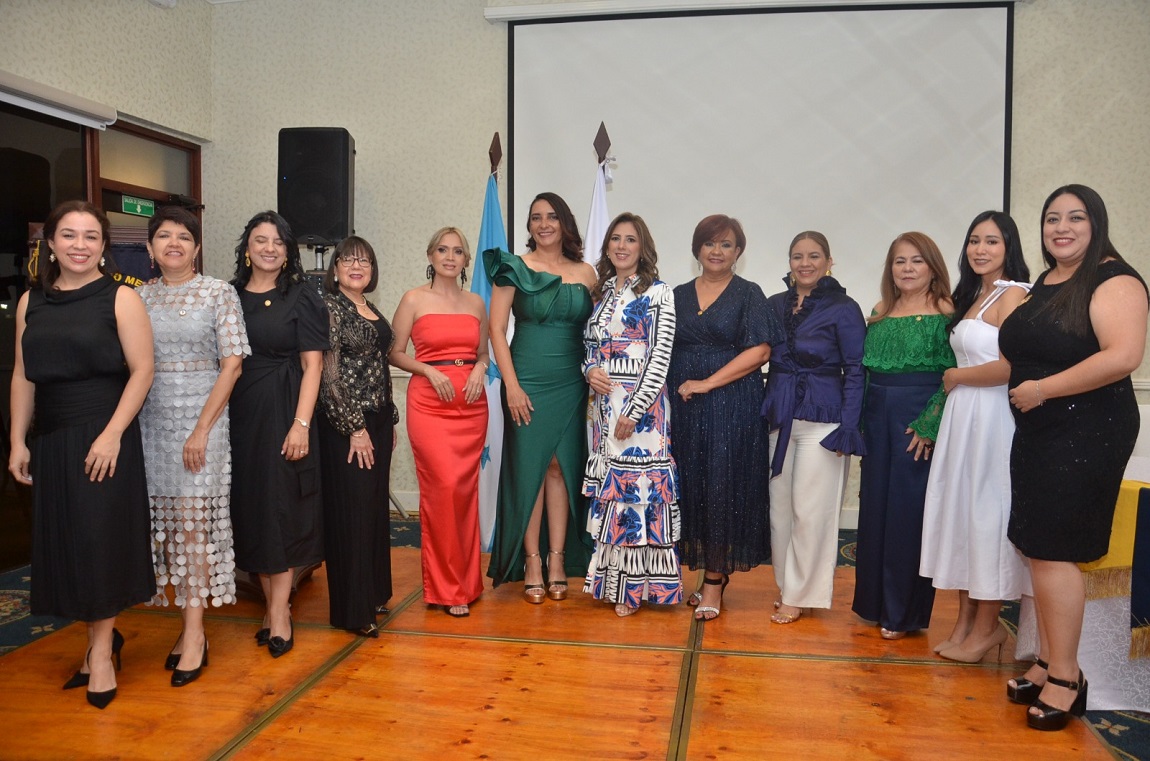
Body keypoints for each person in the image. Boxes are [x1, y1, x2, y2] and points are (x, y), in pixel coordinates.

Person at [999, 185, 1147, 731]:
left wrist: (1042, 389)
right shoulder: (1048, 280)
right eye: (1052, 218)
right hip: (1041, 430)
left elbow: (1123, 356)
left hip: (1088, 430)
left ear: (1096, 223)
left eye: (1075, 218)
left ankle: (1067, 679)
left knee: (1054, 549)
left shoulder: (1115, 278)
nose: (1061, 227)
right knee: (1037, 545)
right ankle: (1047, 661)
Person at [8, 201, 154, 708]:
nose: (79, 245)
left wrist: (113, 433)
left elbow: (142, 371)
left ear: (103, 246)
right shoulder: (32, 302)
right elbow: (24, 375)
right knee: (68, 544)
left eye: (90, 236)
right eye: (68, 235)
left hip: (103, 436)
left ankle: (98, 653)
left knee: (99, 544)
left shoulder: (121, 298)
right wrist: (17, 441)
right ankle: (101, 639)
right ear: (49, 243)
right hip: (51, 437)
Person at [138, 207, 250, 686]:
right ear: (150, 247)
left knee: (191, 529)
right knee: (162, 529)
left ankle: (194, 634)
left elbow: (232, 365)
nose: (174, 244)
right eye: (164, 236)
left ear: (197, 247)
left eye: (184, 237)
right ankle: (187, 627)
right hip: (150, 420)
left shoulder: (218, 292)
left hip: (203, 421)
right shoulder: (136, 298)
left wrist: (201, 429)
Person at [919, 212, 1030, 664]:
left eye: (992, 242)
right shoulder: (975, 294)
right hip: (963, 419)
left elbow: (1012, 366)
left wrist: (954, 375)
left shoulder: (1017, 295)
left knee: (988, 519)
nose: (980, 249)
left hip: (993, 420)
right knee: (964, 518)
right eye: (973, 241)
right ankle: (964, 625)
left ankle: (988, 629)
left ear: (1010, 248)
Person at [485, 192, 596, 602]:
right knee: (531, 468)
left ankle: (557, 558)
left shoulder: (587, 272)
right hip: (526, 378)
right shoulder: (513, 267)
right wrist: (511, 385)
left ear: (565, 222)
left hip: (572, 382)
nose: (543, 224)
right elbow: (496, 329)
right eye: (535, 218)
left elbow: (600, 330)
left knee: (560, 468)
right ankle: (531, 560)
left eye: (552, 217)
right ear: (528, 226)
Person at [669, 214, 780, 621]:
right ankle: (695, 572)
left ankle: (715, 581)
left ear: (739, 252)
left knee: (721, 488)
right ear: (697, 248)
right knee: (689, 485)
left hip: (730, 404)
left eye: (727, 244)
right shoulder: (675, 294)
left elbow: (760, 353)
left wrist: (707, 383)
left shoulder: (749, 294)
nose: (717, 251)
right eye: (710, 243)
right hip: (681, 404)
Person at [228, 211, 329, 657]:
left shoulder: (303, 296)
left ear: (289, 251)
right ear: (246, 248)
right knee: (252, 508)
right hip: (240, 415)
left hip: (287, 409)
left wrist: (301, 423)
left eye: (278, 242)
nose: (269, 248)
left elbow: (314, 366)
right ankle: (271, 607)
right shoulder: (228, 297)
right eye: (260, 240)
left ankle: (280, 612)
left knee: (282, 509)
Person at [851, 231, 955, 640]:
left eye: (916, 261)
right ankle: (873, 605)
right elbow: (867, 372)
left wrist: (930, 424)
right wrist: (857, 424)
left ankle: (902, 612)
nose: (907, 268)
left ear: (933, 267)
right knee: (875, 511)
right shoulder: (881, 309)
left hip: (916, 422)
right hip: (876, 418)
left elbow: (952, 377)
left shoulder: (947, 310)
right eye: (899, 261)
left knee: (907, 517)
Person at [762, 231, 866, 626]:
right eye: (797, 256)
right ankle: (788, 585)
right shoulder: (773, 305)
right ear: (789, 261)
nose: (805, 263)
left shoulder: (844, 308)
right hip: (779, 417)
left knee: (812, 512)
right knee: (780, 512)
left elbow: (856, 370)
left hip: (825, 421)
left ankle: (800, 594)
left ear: (828, 261)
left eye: (814, 255)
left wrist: (850, 428)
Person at [582, 213, 681, 617]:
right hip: (603, 410)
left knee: (639, 497)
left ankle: (638, 591)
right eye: (616, 239)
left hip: (643, 413)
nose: (622, 246)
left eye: (631, 240)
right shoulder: (601, 292)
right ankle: (615, 583)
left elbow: (660, 357)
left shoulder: (660, 293)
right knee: (613, 497)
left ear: (643, 248)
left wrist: (635, 410)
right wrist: (588, 369)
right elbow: (589, 345)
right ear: (607, 246)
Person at [390, 227, 489, 618]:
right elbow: (394, 353)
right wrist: (430, 372)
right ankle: (446, 588)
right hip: (430, 403)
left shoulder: (477, 302)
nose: (450, 256)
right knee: (442, 490)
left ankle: (466, 584)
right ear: (430, 255)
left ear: (466, 260)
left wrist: (482, 367)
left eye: (458, 251)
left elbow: (482, 352)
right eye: (443, 250)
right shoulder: (414, 299)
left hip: (471, 404)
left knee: (464, 495)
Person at [317, 235, 397, 636]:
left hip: (378, 422)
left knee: (371, 513)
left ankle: (373, 594)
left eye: (364, 260)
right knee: (351, 515)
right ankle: (352, 611)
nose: (356, 266)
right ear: (335, 268)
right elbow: (329, 377)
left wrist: (390, 420)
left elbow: (379, 367)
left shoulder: (369, 308)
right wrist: (355, 428)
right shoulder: (330, 308)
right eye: (348, 259)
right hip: (348, 425)